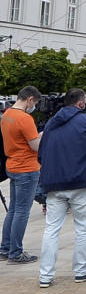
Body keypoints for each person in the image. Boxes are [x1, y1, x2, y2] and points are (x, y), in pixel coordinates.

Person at [36, 88, 86, 286]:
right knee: (83, 228)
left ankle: (45, 275)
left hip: (54, 183)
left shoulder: (51, 123)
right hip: (80, 181)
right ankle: (81, 271)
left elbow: (40, 154)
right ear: (81, 103)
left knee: (51, 230)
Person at [1, 86, 43, 264]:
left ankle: (5, 248)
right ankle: (16, 252)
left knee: (13, 210)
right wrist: (43, 136)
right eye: (35, 103)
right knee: (22, 212)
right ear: (30, 99)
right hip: (27, 167)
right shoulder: (25, 119)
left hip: (12, 165)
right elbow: (35, 146)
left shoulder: (7, 115)